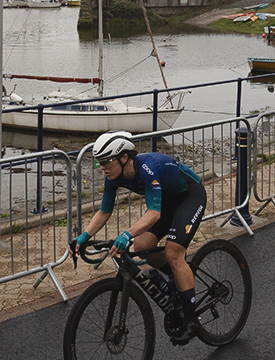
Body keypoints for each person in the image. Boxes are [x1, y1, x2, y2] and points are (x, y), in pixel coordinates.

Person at [72, 131, 208, 345]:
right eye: (100, 163)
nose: (103, 167)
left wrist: (126, 234)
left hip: (190, 196)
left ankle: (191, 319)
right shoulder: (113, 177)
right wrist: (84, 236)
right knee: (143, 244)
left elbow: (154, 213)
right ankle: (176, 276)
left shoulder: (147, 167)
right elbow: (104, 211)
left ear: (124, 157)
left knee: (173, 253)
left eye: (106, 161)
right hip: (167, 202)